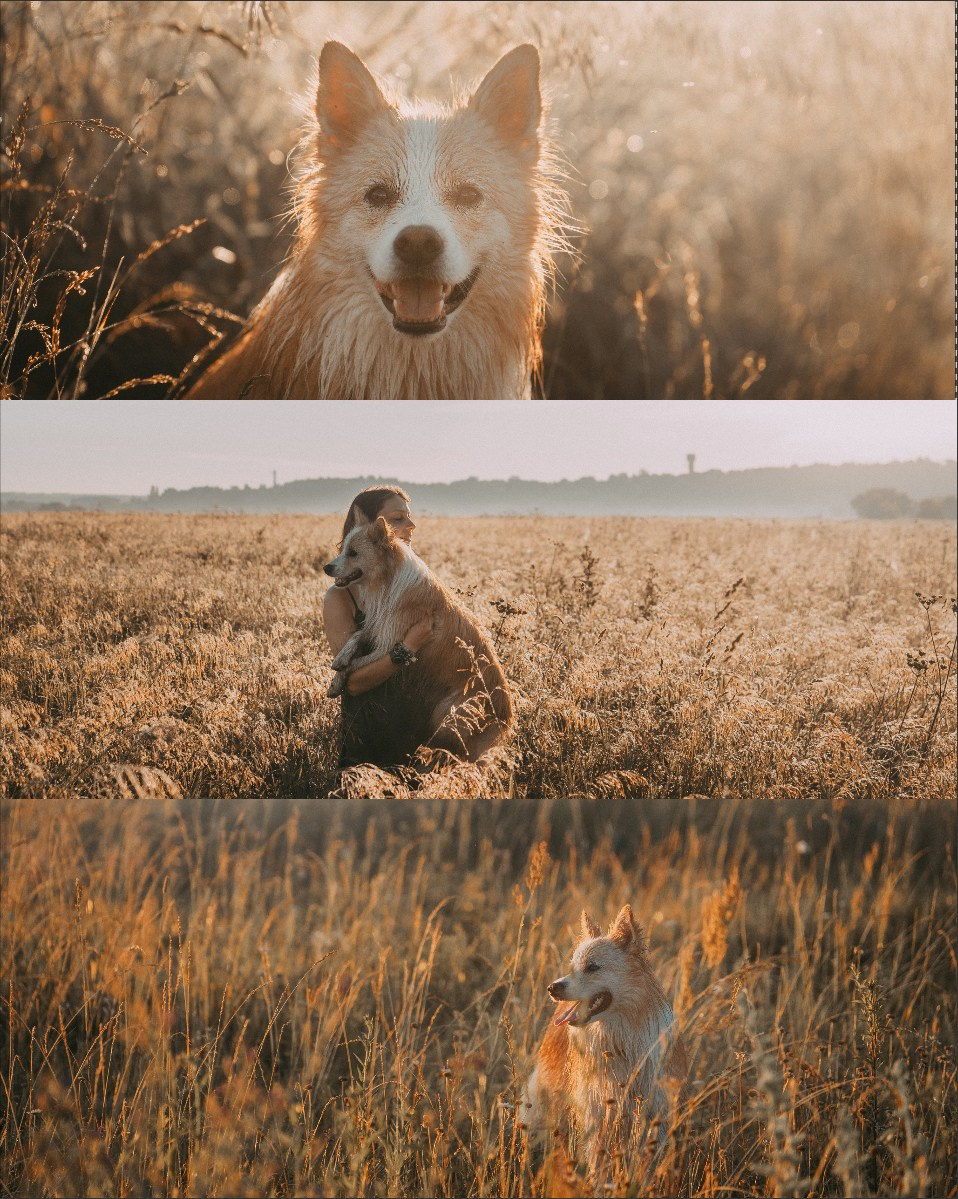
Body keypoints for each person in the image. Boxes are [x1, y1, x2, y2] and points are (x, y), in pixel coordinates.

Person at [323, 486, 434, 768]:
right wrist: (407, 648)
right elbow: (353, 684)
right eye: (397, 519)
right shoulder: (340, 598)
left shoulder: (413, 585)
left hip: (425, 736)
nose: (411, 525)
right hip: (370, 739)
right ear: (369, 529)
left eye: (408, 517)